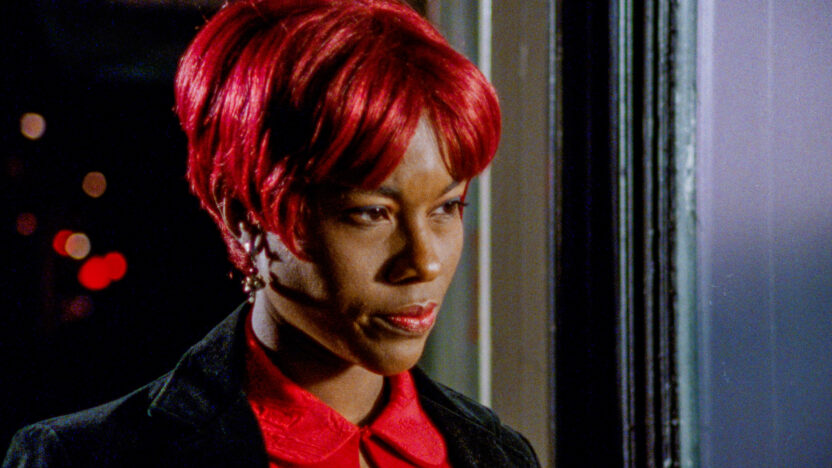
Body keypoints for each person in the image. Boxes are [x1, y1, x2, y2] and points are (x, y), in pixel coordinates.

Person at [3, 0, 540, 466]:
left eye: (447, 207)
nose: (425, 261)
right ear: (245, 216)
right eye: (371, 214)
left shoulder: (496, 453)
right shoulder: (86, 457)